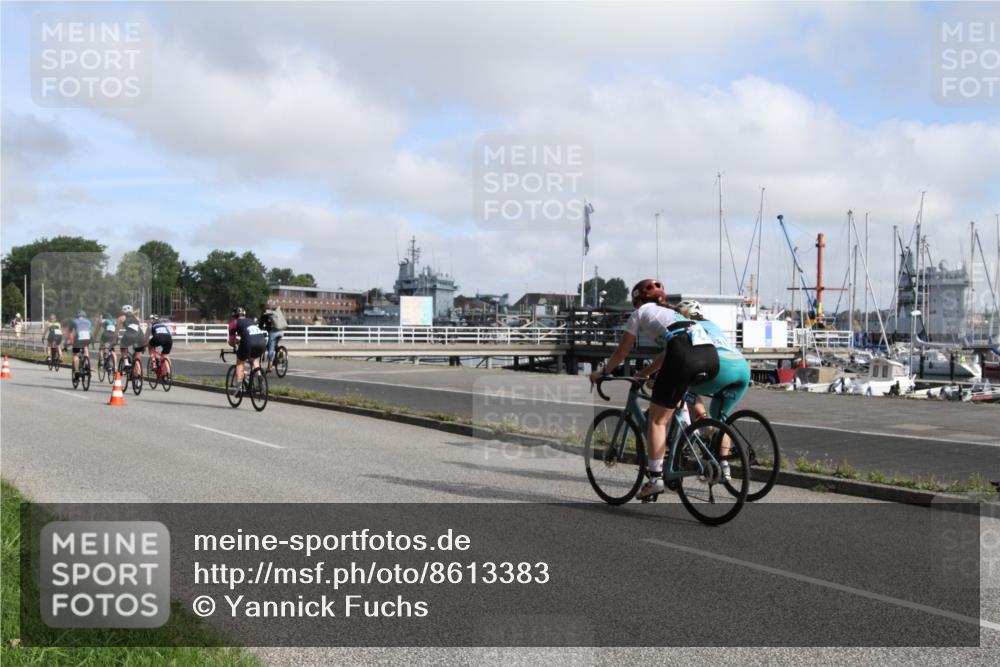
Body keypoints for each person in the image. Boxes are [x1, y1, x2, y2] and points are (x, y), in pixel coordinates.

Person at [588, 279, 721, 499]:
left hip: (684, 356)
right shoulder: (674, 313)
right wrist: (644, 373)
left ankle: (655, 479)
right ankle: (692, 444)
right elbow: (668, 352)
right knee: (675, 401)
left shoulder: (640, 313)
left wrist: (603, 372)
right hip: (710, 358)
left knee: (657, 421)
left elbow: (622, 352)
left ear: (638, 301)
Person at [675, 299, 752, 423]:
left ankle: (703, 423)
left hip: (723, 367)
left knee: (684, 389)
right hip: (743, 368)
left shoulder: (687, 325)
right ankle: (719, 430)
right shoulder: (712, 324)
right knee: (719, 419)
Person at [228, 306, 266, 388]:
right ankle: (259, 376)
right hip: (262, 342)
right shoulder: (251, 321)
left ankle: (239, 386)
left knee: (240, 362)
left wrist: (233, 343)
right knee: (254, 358)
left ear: (234, 316)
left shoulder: (234, 323)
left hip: (248, 343)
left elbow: (231, 342)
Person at [116, 305, 145, 372]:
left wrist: (114, 339)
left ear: (122, 311)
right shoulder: (137, 318)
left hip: (130, 335)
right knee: (137, 356)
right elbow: (138, 310)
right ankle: (138, 374)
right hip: (141, 336)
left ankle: (126, 363)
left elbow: (117, 331)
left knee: (123, 346)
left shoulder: (121, 318)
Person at [257, 303, 284, 373]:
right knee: (274, 344)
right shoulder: (274, 312)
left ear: (262, 309)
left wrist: (259, 330)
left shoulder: (264, 315)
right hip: (281, 331)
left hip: (273, 333)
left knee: (270, 349)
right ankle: (280, 351)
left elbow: (260, 326)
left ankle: (270, 366)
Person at [67, 310, 93, 376]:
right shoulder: (88, 321)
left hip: (79, 337)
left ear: (77, 317)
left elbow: (70, 332)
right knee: (85, 347)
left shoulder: (73, 321)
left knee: (75, 354)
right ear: (85, 316)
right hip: (88, 337)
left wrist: (70, 341)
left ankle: (76, 371)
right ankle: (87, 365)